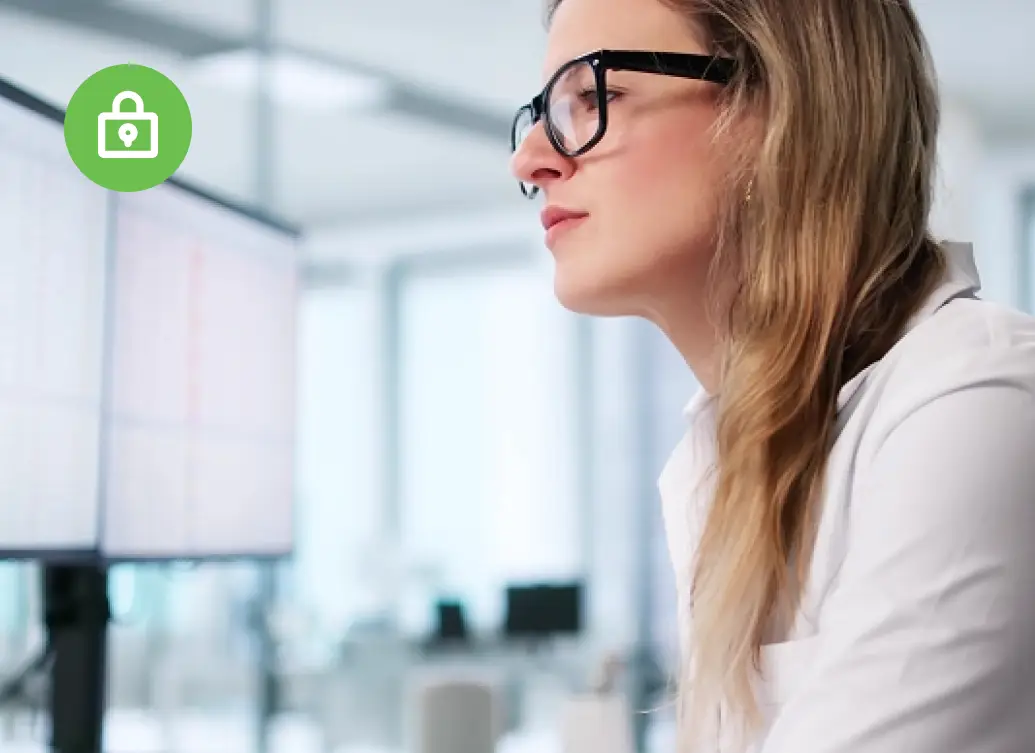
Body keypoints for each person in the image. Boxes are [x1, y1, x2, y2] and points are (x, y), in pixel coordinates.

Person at [508, 0, 1035, 751]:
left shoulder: (978, 403)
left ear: (778, 113)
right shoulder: (725, 457)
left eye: (592, 98)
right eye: (543, 113)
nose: (529, 158)